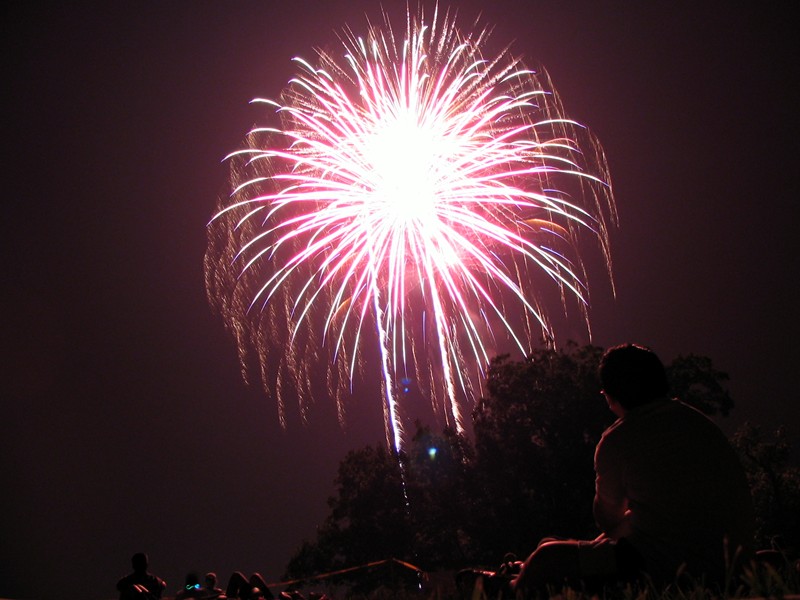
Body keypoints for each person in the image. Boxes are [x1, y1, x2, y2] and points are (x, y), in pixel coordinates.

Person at [513, 344, 755, 595]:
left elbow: (609, 521)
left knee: (547, 556)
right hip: (733, 565)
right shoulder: (700, 424)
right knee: (553, 544)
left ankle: (510, 589)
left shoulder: (619, 439)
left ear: (610, 396)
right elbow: (655, 516)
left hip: (668, 567)